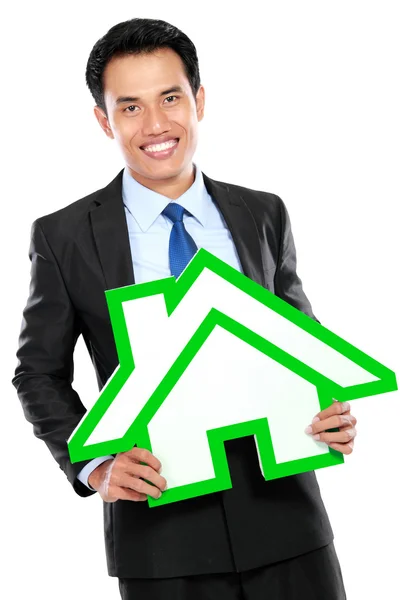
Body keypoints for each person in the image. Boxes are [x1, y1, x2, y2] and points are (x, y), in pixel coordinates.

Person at [12, 17, 357, 600]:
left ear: (198, 100)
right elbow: (38, 372)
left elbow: (303, 341)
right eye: (130, 107)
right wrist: (92, 465)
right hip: (160, 535)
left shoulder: (262, 213)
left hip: (289, 523)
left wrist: (331, 405)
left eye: (170, 98)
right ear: (104, 120)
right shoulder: (65, 235)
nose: (155, 125)